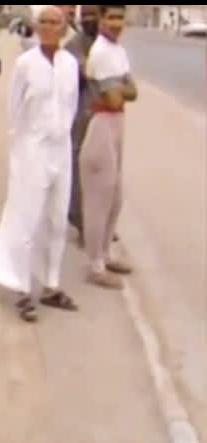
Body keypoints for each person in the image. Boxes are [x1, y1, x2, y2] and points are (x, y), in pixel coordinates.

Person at [0, 6, 79, 322]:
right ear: (37, 28)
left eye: (57, 23)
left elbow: (71, 107)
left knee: (55, 220)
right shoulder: (26, 65)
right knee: (26, 220)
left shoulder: (70, 64)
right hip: (31, 151)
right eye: (46, 23)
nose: (51, 27)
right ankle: (21, 289)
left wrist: (63, 142)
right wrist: (19, 153)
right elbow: (14, 111)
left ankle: (51, 285)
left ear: (65, 28)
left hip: (61, 150)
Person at [79, 5, 136, 289]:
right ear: (101, 20)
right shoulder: (100, 52)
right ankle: (95, 265)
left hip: (117, 125)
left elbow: (132, 92)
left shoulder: (119, 51)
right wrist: (123, 88)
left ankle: (106, 253)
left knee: (116, 198)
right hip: (101, 125)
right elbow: (115, 98)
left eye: (120, 17)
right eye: (110, 17)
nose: (116, 23)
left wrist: (122, 89)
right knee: (98, 201)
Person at [65, 5, 100, 245]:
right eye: (85, 15)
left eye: (93, 15)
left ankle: (98, 223)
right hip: (80, 116)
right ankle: (81, 224)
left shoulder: (106, 44)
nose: (88, 20)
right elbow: (85, 72)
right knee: (79, 171)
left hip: (102, 117)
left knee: (101, 172)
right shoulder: (74, 45)